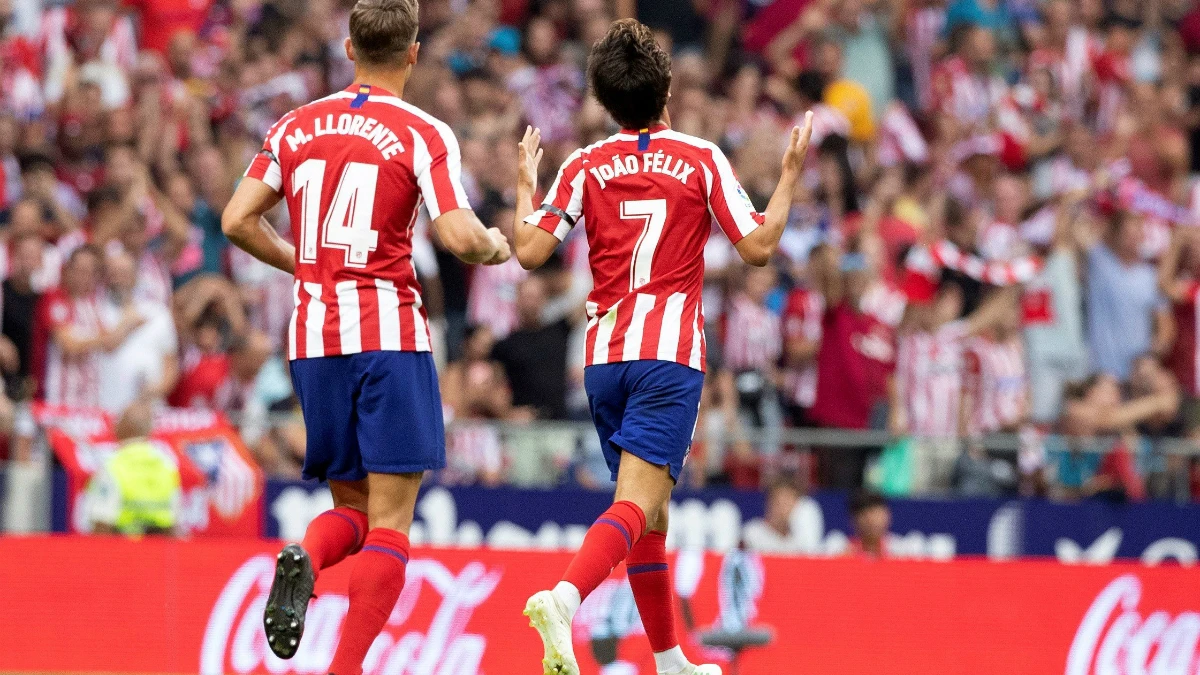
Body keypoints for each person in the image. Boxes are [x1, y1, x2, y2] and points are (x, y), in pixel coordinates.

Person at [512, 19, 812, 675]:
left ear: (604, 100)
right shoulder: (701, 157)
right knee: (637, 504)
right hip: (667, 358)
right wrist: (788, 176)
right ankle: (564, 597)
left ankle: (670, 658)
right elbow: (757, 248)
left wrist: (523, 186)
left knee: (654, 514)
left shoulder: (585, 164)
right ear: (667, 86)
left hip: (603, 359)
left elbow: (529, 251)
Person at [220, 0, 511, 672]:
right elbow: (458, 235)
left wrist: (305, 261)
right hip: (387, 334)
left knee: (351, 505)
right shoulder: (423, 132)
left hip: (315, 341)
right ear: (413, 53)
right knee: (392, 520)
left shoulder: (294, 126)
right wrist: (496, 247)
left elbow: (238, 220)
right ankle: (345, 667)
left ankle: (310, 555)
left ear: (348, 49)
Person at [84, 400, 181, 536]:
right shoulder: (167, 467)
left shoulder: (113, 467)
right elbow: (172, 527)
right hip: (156, 554)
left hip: (120, 552)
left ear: (121, 427)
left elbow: (101, 526)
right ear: (149, 430)